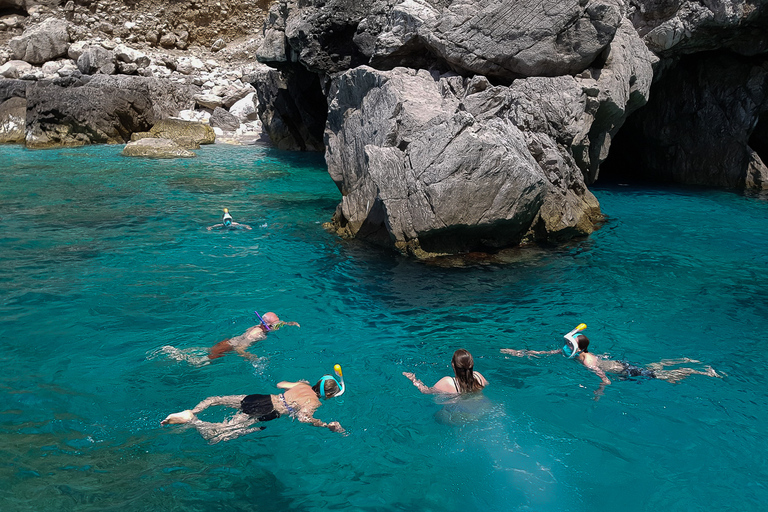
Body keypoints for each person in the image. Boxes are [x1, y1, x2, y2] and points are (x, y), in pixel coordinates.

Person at [160, 372, 345, 443]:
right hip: (267, 411)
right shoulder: (315, 402)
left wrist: (298, 383)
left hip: (262, 398)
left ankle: (194, 410)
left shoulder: (302, 385)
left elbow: (280, 383)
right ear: (328, 395)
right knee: (218, 436)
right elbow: (304, 418)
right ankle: (193, 420)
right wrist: (326, 425)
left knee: (215, 399)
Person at [501, 334, 721, 387]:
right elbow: (542, 353)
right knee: (653, 367)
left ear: (580, 349)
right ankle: (682, 359)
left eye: (570, 345)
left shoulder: (587, 362)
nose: (565, 347)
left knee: (663, 377)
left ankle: (700, 371)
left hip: (622, 371)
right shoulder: (568, 353)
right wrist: (518, 352)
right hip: (618, 364)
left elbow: (605, 379)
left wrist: (599, 390)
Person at [207, 311, 299, 360]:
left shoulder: (267, 326)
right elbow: (239, 348)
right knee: (204, 360)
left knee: (205, 351)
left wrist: (290, 323)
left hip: (230, 342)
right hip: (228, 347)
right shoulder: (255, 334)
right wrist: (251, 357)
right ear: (264, 324)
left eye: (278, 325)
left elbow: (278, 323)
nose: (277, 328)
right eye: (274, 326)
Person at [403, 348, 488, 394]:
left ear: (453, 364)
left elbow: (425, 391)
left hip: (460, 414)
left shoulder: (448, 382)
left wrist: (413, 380)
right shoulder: (478, 376)